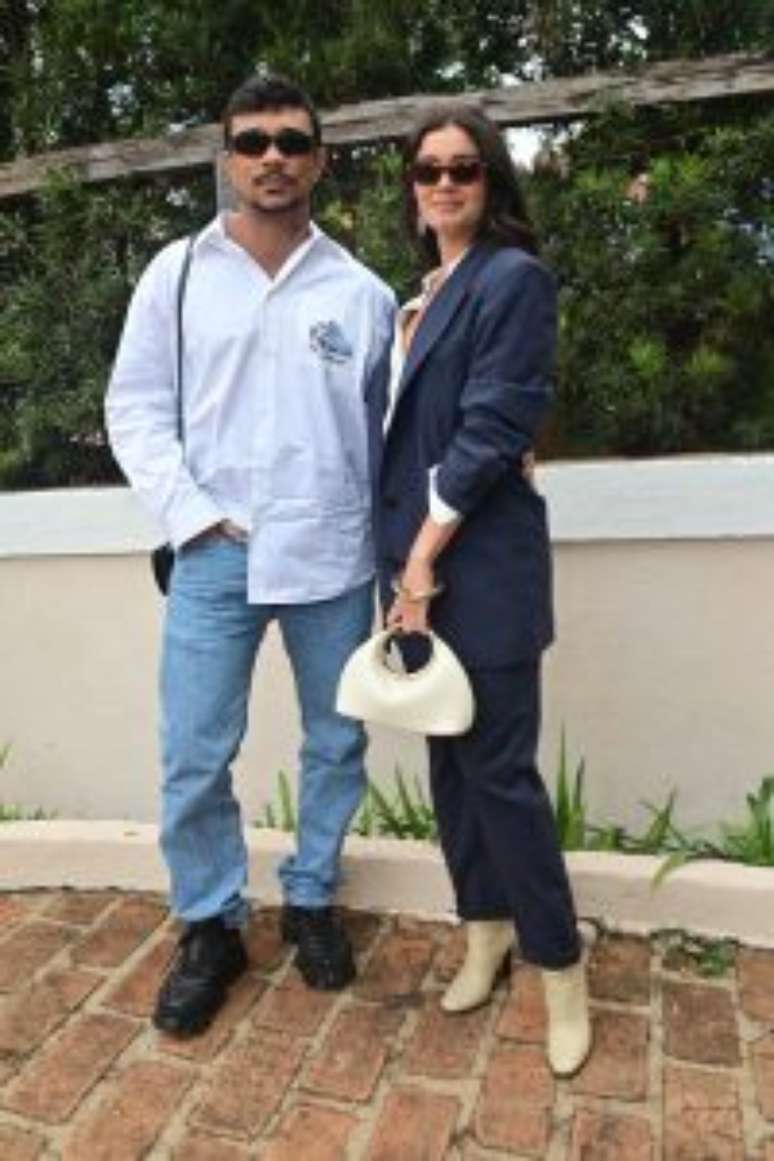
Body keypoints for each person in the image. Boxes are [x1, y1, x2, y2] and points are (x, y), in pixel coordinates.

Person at [106, 75, 394, 1037]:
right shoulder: (175, 276)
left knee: (338, 740)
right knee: (192, 754)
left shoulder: (360, 292)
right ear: (227, 156)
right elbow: (135, 407)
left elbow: (390, 433)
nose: (273, 156)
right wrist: (189, 517)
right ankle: (211, 924)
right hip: (214, 554)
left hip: (333, 559)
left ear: (319, 159)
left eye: (292, 141)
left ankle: (311, 894)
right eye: (253, 140)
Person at [366, 106, 591, 1077]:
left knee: (500, 774)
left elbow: (494, 429)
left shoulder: (513, 281)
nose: (446, 183)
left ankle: (560, 967)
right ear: (412, 189)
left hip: (475, 566)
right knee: (449, 770)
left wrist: (422, 559)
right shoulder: (412, 301)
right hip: (416, 569)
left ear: (492, 180)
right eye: (429, 170)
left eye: (465, 168)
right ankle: (485, 931)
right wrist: (403, 569)